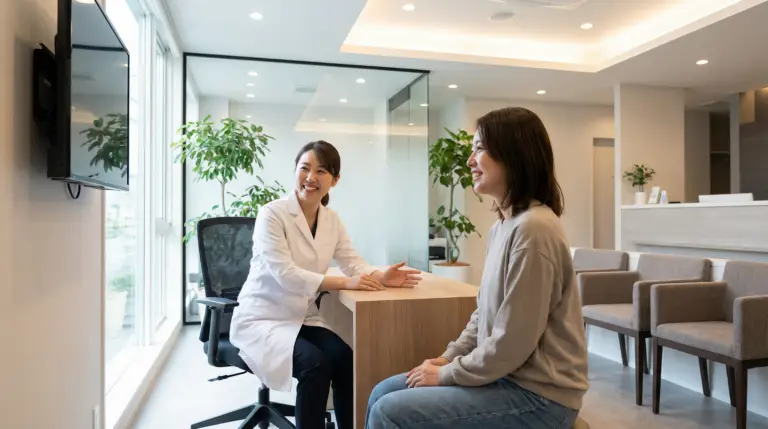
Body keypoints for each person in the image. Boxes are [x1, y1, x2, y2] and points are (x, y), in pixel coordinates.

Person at [365, 107, 589, 429]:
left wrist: (446, 374)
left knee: (389, 411)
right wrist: (448, 356)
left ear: (513, 155)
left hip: (539, 397)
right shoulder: (503, 227)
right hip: (505, 377)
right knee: (382, 392)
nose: (470, 161)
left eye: (479, 149)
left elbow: (511, 344)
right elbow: (483, 316)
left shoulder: (535, 229)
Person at [230, 140, 422, 429]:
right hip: (263, 317)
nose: (310, 177)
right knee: (315, 365)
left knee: (345, 359)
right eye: (304, 168)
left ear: (335, 180)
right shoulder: (272, 213)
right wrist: (346, 282)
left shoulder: (331, 219)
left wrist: (380, 275)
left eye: (321, 171)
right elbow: (285, 274)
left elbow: (351, 261)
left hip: (300, 317)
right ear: (295, 171)